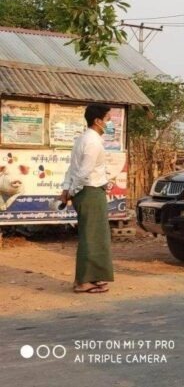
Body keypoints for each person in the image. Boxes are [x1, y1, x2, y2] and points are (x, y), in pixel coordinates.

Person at [60, 104, 115, 294]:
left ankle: (91, 278)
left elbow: (72, 168)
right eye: (108, 119)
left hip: (87, 191)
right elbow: (83, 172)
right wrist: (73, 190)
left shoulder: (82, 139)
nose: (109, 123)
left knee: (93, 236)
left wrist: (67, 189)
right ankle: (84, 282)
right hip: (90, 191)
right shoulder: (93, 142)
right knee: (92, 237)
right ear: (98, 121)